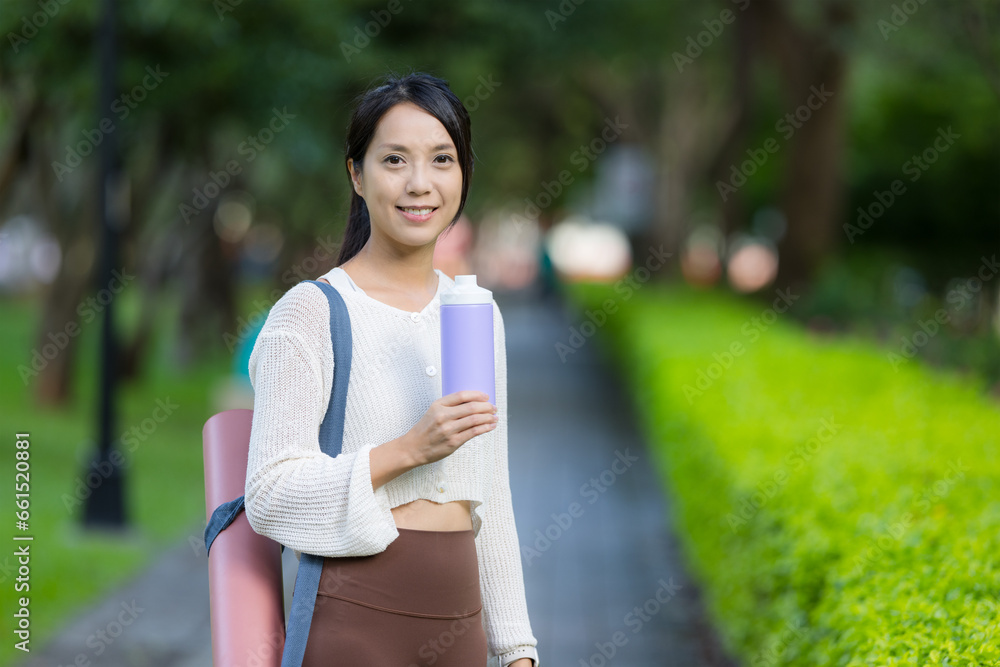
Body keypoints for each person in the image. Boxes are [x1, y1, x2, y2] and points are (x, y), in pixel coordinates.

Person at [243, 71, 540, 667]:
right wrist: (409, 449)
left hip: (461, 629)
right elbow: (269, 495)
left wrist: (517, 652)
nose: (420, 183)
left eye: (442, 160)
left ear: (464, 175)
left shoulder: (477, 315)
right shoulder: (310, 313)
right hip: (355, 624)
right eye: (395, 160)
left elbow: (493, 497)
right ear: (357, 174)